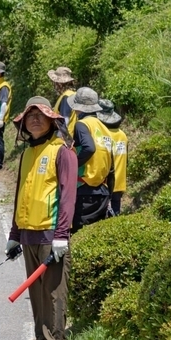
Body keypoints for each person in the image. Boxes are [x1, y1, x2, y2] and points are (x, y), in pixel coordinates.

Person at [6, 96, 77, 340]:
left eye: (40, 114)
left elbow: (68, 196)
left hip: (51, 235)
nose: (34, 119)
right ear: (23, 122)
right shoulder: (26, 155)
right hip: (28, 236)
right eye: (29, 115)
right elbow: (20, 195)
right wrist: (14, 234)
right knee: (36, 295)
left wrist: (62, 234)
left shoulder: (62, 152)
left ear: (52, 119)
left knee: (54, 295)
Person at [68, 87, 114, 232]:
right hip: (102, 191)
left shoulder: (82, 124)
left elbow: (89, 148)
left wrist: (72, 164)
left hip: (83, 190)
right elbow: (111, 167)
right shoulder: (105, 128)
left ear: (78, 109)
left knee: (77, 234)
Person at [97, 99, 127, 215]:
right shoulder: (122, 135)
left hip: (104, 186)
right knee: (115, 216)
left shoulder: (101, 136)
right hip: (119, 184)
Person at [48, 67, 77, 136]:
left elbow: (65, 121)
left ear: (59, 84)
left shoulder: (66, 97)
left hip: (69, 139)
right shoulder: (74, 94)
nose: (54, 85)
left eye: (55, 83)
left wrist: (58, 138)